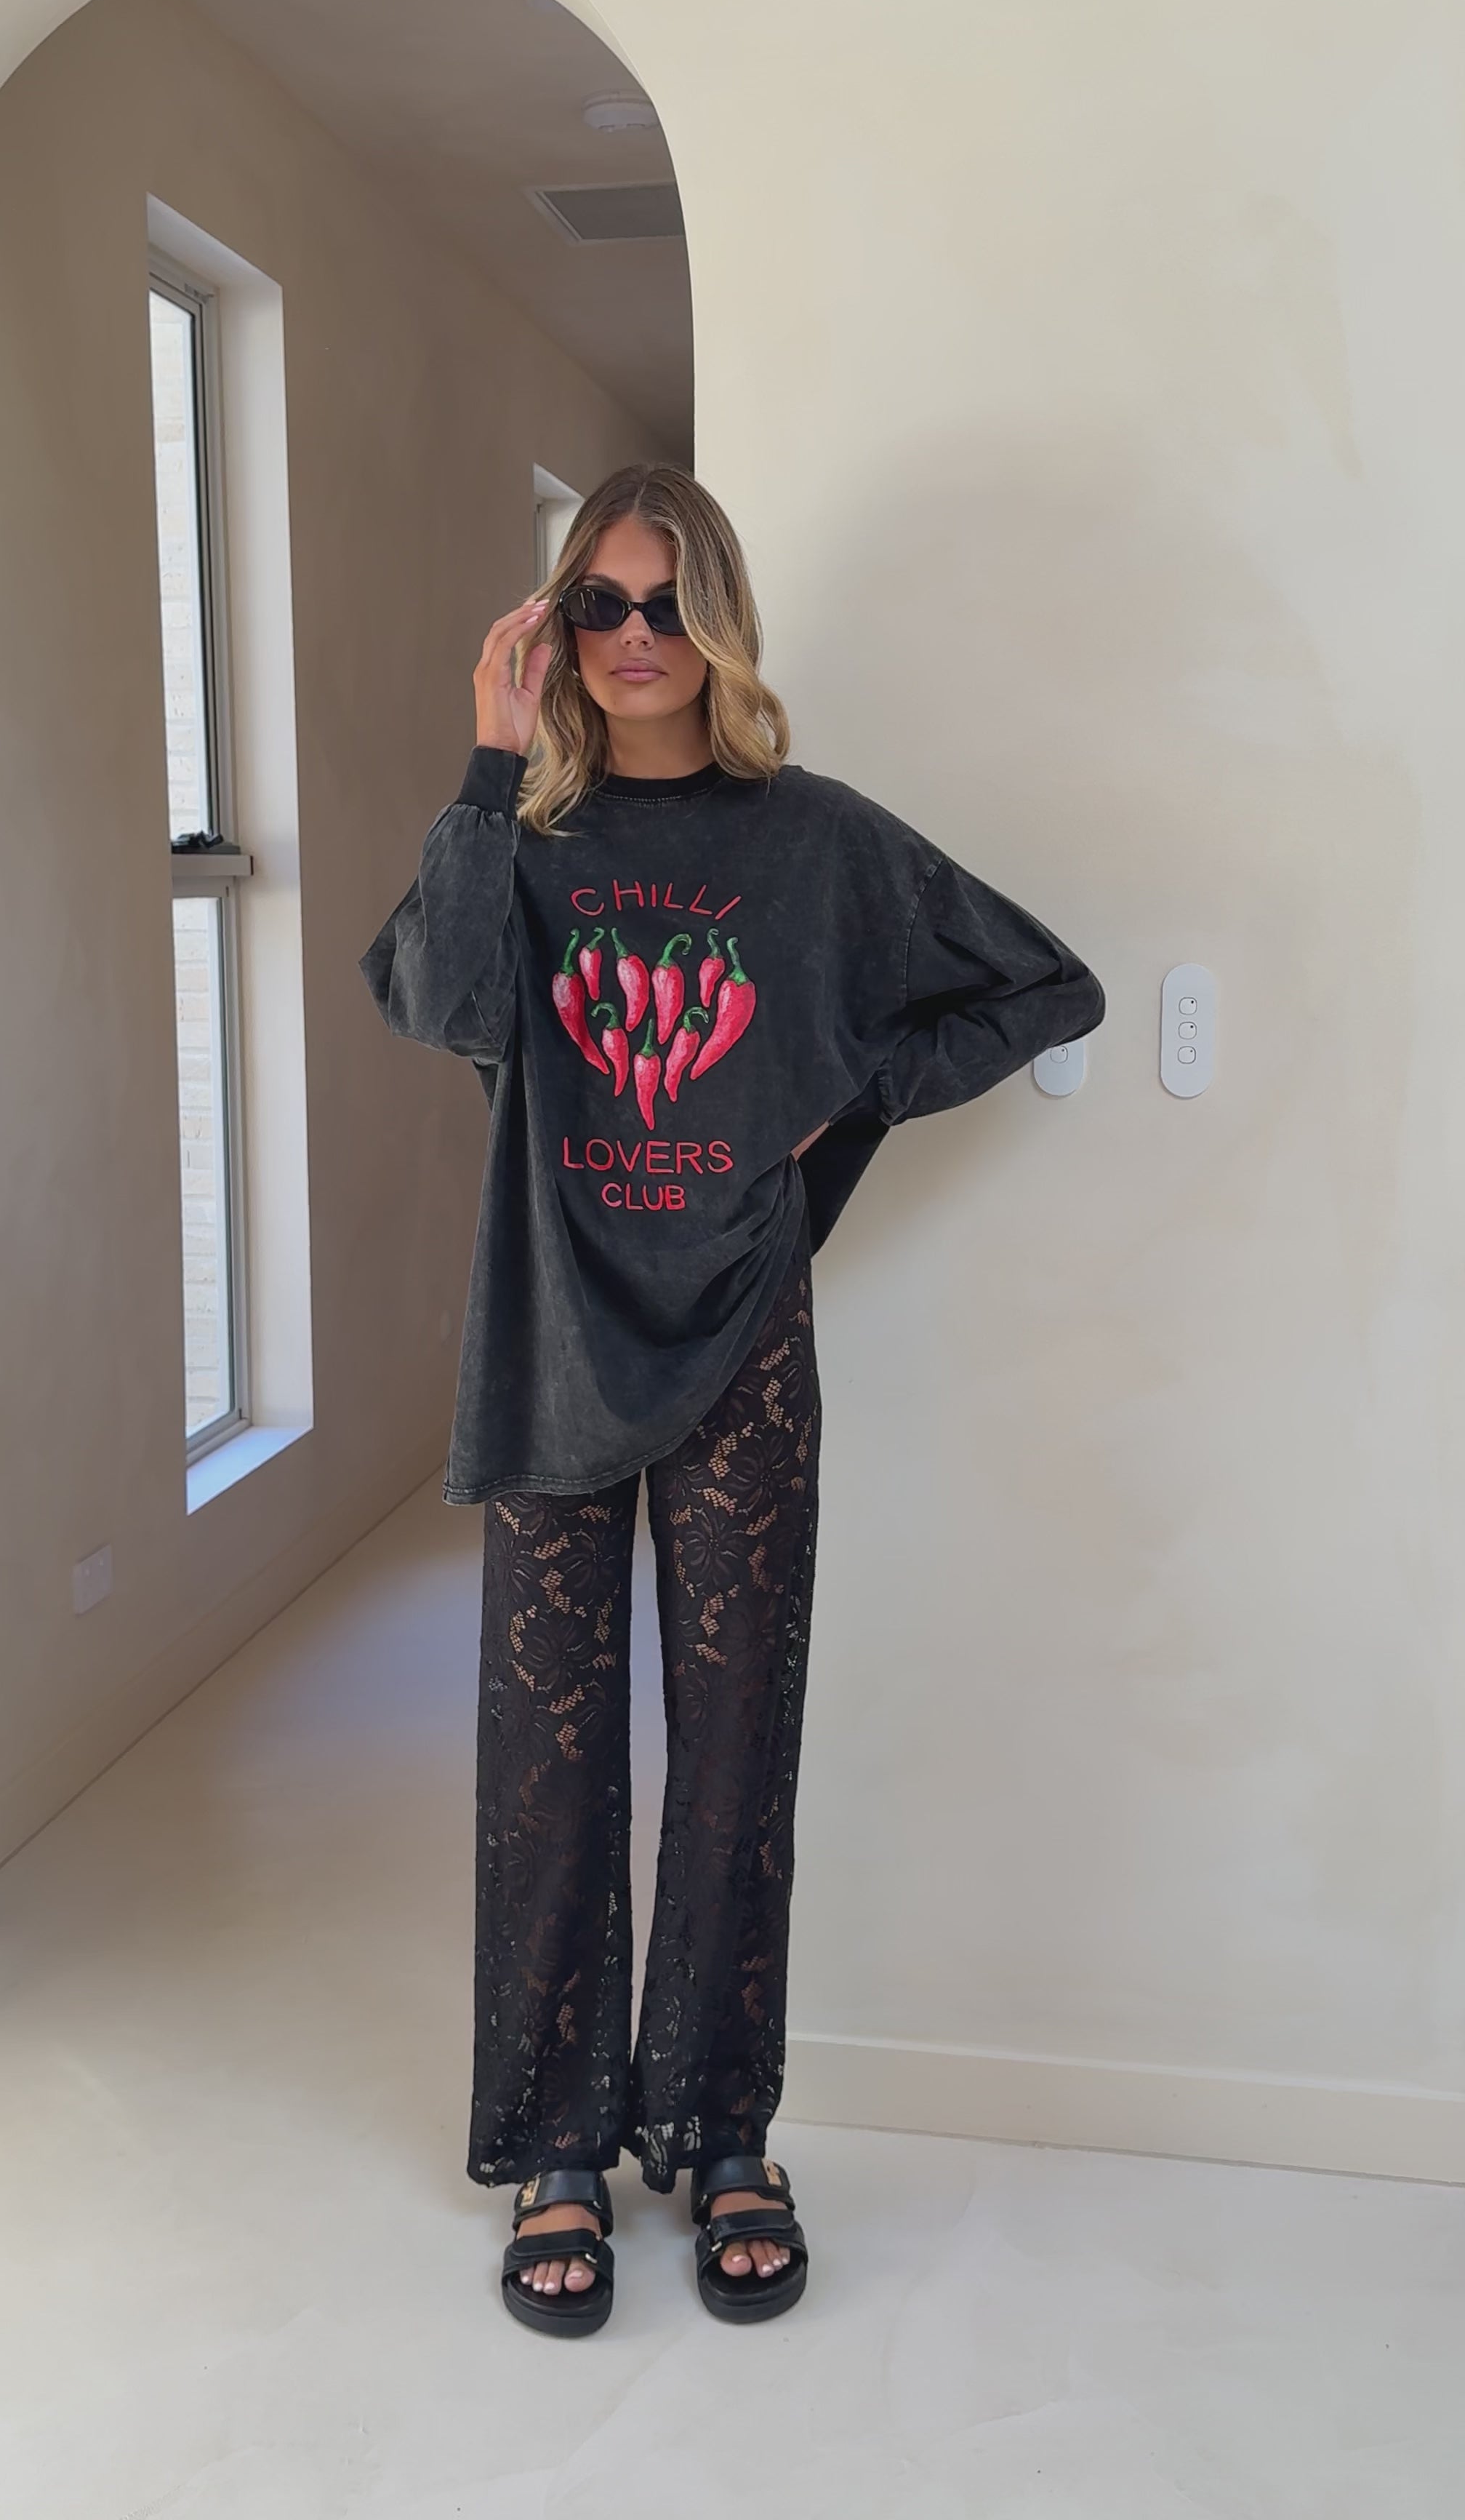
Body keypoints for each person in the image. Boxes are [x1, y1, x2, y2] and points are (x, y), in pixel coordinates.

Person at [358, 463, 1104, 2335]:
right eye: (599, 606)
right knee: (550, 1761)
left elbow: (1042, 985)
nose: (635, 640)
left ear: (720, 622)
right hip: (553, 1338)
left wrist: (832, 1102)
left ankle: (722, 2129)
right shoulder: (524, 842)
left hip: (745, 1345)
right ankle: (558, 2145)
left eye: (666, 604)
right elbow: (440, 1003)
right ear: (557, 630)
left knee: (735, 1749)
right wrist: (485, 760)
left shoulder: (814, 842)